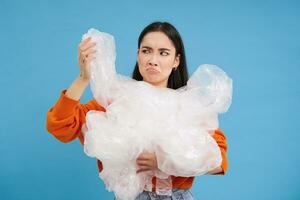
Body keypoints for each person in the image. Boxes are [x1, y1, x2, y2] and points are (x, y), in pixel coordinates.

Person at [46, 21, 228, 200]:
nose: (153, 60)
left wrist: (167, 161)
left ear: (176, 61)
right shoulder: (116, 99)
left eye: (163, 53)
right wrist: (84, 78)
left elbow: (219, 162)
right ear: (138, 55)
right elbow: (60, 125)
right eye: (146, 51)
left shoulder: (190, 106)